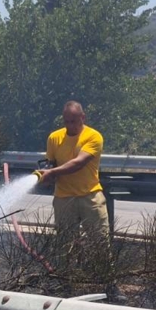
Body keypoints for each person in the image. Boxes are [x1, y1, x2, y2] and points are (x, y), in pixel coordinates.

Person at [37, 100, 109, 242]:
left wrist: (52, 173)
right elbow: (50, 164)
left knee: (100, 244)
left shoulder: (93, 136)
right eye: (67, 121)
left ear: (83, 117)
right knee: (65, 245)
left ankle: (102, 265)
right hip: (63, 198)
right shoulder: (54, 138)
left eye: (74, 121)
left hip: (90, 196)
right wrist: (46, 176)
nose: (70, 125)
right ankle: (68, 265)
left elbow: (78, 163)